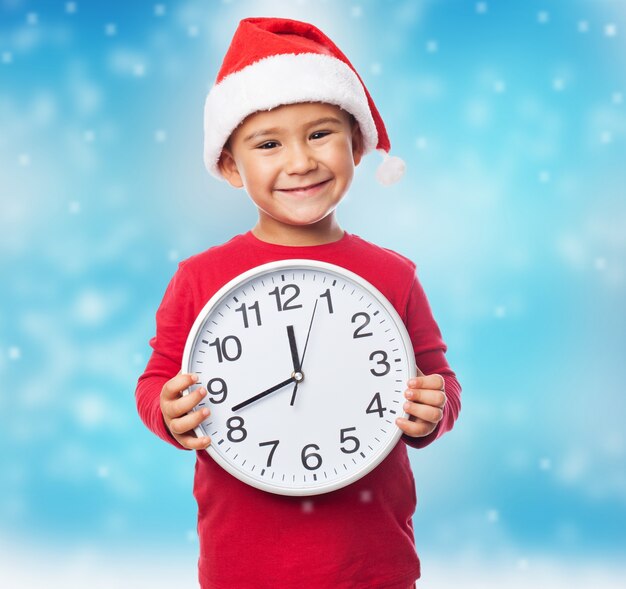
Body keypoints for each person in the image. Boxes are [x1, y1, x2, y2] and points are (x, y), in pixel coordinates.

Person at [136, 17, 461, 589]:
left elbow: (439, 379)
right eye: (268, 143)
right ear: (232, 166)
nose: (301, 161)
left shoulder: (394, 275)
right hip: (244, 567)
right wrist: (168, 412)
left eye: (319, 133)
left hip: (370, 564)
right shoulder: (198, 278)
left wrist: (432, 412)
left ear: (357, 145)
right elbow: (157, 381)